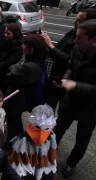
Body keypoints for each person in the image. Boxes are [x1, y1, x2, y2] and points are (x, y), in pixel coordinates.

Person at [53, 20, 96, 179]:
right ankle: (49, 152)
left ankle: (71, 163)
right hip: (69, 101)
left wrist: (74, 85)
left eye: (79, 37)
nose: (75, 40)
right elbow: (70, 67)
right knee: (58, 129)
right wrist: (64, 81)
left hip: (90, 108)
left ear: (93, 39)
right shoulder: (78, 48)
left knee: (82, 139)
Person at [42, 8, 96, 110]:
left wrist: (74, 85)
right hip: (61, 84)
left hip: (85, 103)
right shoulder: (73, 34)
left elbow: (67, 60)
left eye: (79, 20)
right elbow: (70, 64)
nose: (74, 23)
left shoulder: (87, 51)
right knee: (52, 111)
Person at [4, 34, 48, 142]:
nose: (22, 47)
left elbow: (10, 75)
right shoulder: (40, 62)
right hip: (26, 97)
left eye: (25, 45)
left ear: (31, 49)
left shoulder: (28, 67)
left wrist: (16, 66)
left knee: (13, 122)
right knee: (15, 121)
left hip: (18, 99)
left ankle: (13, 143)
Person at [9, 105, 57, 180]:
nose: (41, 134)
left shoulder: (51, 137)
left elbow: (51, 156)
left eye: (46, 128)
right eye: (38, 127)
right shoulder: (23, 139)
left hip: (44, 169)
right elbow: (16, 161)